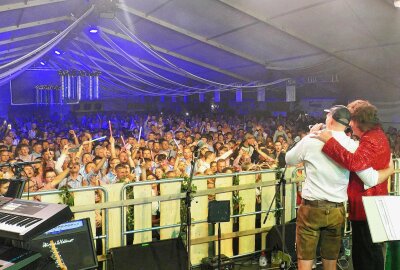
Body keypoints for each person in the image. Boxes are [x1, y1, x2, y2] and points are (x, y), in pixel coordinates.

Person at [286, 105, 393, 270]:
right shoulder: (353, 145)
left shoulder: (311, 139)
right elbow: (369, 176)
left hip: (311, 208)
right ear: (348, 123)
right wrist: (389, 170)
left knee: (305, 258)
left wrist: (309, 135)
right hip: (337, 210)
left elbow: (289, 159)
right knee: (331, 260)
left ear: (330, 119)